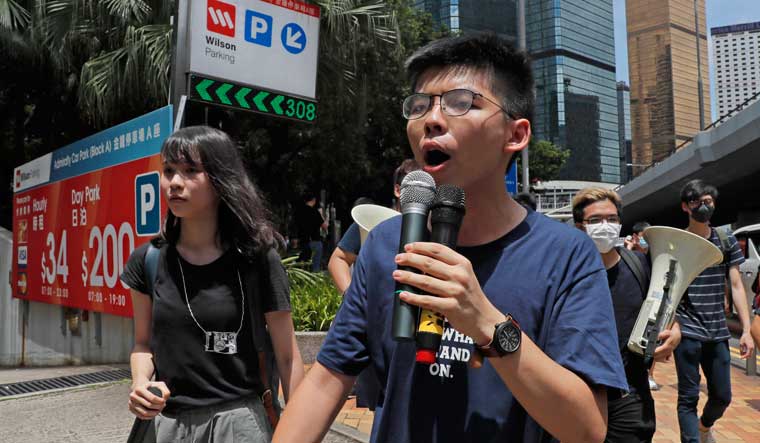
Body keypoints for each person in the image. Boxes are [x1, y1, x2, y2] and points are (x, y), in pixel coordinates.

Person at [273, 33, 627, 443]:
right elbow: (324, 383)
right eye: (419, 105)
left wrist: (488, 325)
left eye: (461, 103)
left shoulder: (568, 255)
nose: (431, 119)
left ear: (516, 135)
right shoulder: (386, 244)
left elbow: (586, 429)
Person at [121, 126, 304, 442]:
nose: (175, 182)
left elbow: (287, 356)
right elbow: (143, 344)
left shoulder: (258, 259)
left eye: (191, 171)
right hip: (167, 425)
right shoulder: (148, 260)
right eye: (168, 171)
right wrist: (140, 384)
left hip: (239, 424)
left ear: (221, 180)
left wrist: (300, 433)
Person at [573, 188, 681, 443]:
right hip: (577, 396)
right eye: (595, 220)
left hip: (630, 395)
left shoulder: (640, 266)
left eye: (612, 219)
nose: (605, 226)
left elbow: (667, 310)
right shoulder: (565, 272)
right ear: (579, 226)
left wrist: (674, 331)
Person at [673, 179, 755, 443]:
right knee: (688, 396)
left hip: (717, 329)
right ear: (686, 207)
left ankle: (704, 426)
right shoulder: (678, 241)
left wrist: (746, 330)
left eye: (707, 201)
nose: (703, 206)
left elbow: (736, 286)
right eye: (696, 202)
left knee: (722, 396)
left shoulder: (725, 239)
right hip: (686, 329)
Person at [328, 159, 420, 294]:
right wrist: (350, 300)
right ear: (397, 190)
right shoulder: (372, 220)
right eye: (413, 189)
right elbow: (338, 259)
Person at [296, 193, 327, 272]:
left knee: (303, 264)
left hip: (303, 241)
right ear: (313, 200)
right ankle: (314, 278)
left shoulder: (299, 211)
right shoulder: (315, 212)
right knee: (315, 266)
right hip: (315, 241)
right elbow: (324, 226)